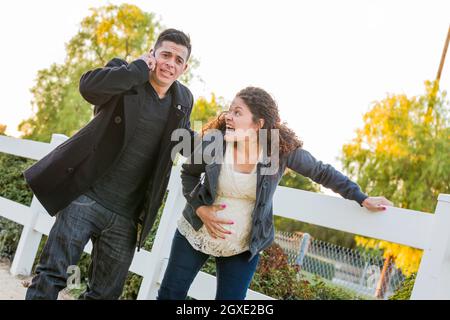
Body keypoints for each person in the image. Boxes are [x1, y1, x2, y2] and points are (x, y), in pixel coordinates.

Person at [157, 86, 393, 300]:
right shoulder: (215, 143)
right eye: (230, 110)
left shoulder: (278, 150)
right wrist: (201, 209)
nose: (228, 116)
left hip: (243, 245)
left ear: (258, 124)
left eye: (237, 112)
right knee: (170, 295)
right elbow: (188, 174)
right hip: (195, 233)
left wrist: (361, 197)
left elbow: (321, 172)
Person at [24, 28, 196, 299]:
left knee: (105, 294)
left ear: (184, 67)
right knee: (52, 275)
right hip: (85, 197)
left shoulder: (183, 100)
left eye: (178, 60)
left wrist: (227, 146)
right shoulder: (126, 73)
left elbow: (183, 142)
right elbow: (88, 87)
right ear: (153, 54)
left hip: (126, 217)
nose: (170, 64)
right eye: (165, 55)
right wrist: (137, 70)